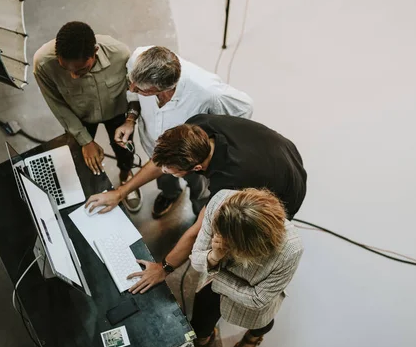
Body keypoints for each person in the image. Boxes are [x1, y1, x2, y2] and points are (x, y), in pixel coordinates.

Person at [85, 114, 307, 293]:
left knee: (236, 231)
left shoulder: (228, 184)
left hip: (284, 189)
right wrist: (120, 192)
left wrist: (163, 269)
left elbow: (197, 231)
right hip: (278, 149)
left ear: (196, 169)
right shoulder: (196, 128)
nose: (161, 172)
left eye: (168, 171)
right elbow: (159, 161)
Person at [112, 46, 253, 216]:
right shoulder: (138, 59)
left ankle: (200, 212)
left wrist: (202, 144)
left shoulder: (208, 93)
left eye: (141, 90)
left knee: (200, 190)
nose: (133, 89)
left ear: (164, 88)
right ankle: (170, 194)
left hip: (191, 161)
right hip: (153, 147)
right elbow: (132, 91)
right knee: (164, 178)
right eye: (131, 81)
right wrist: (130, 119)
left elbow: (244, 110)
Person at [32, 21, 141, 209]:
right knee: (79, 155)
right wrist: (85, 141)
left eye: (81, 69)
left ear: (95, 51)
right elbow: (57, 103)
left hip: (116, 112)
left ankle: (126, 175)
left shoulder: (120, 54)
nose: (73, 76)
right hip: (77, 116)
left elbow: (135, 89)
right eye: (66, 70)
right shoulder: (43, 64)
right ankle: (89, 188)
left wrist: (130, 119)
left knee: (124, 150)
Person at [189, 188, 303, 347]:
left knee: (262, 323)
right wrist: (214, 256)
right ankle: (203, 339)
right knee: (200, 319)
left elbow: (258, 299)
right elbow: (197, 261)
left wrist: (214, 273)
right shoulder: (220, 202)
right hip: (214, 283)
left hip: (250, 298)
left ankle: (253, 337)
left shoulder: (290, 249)